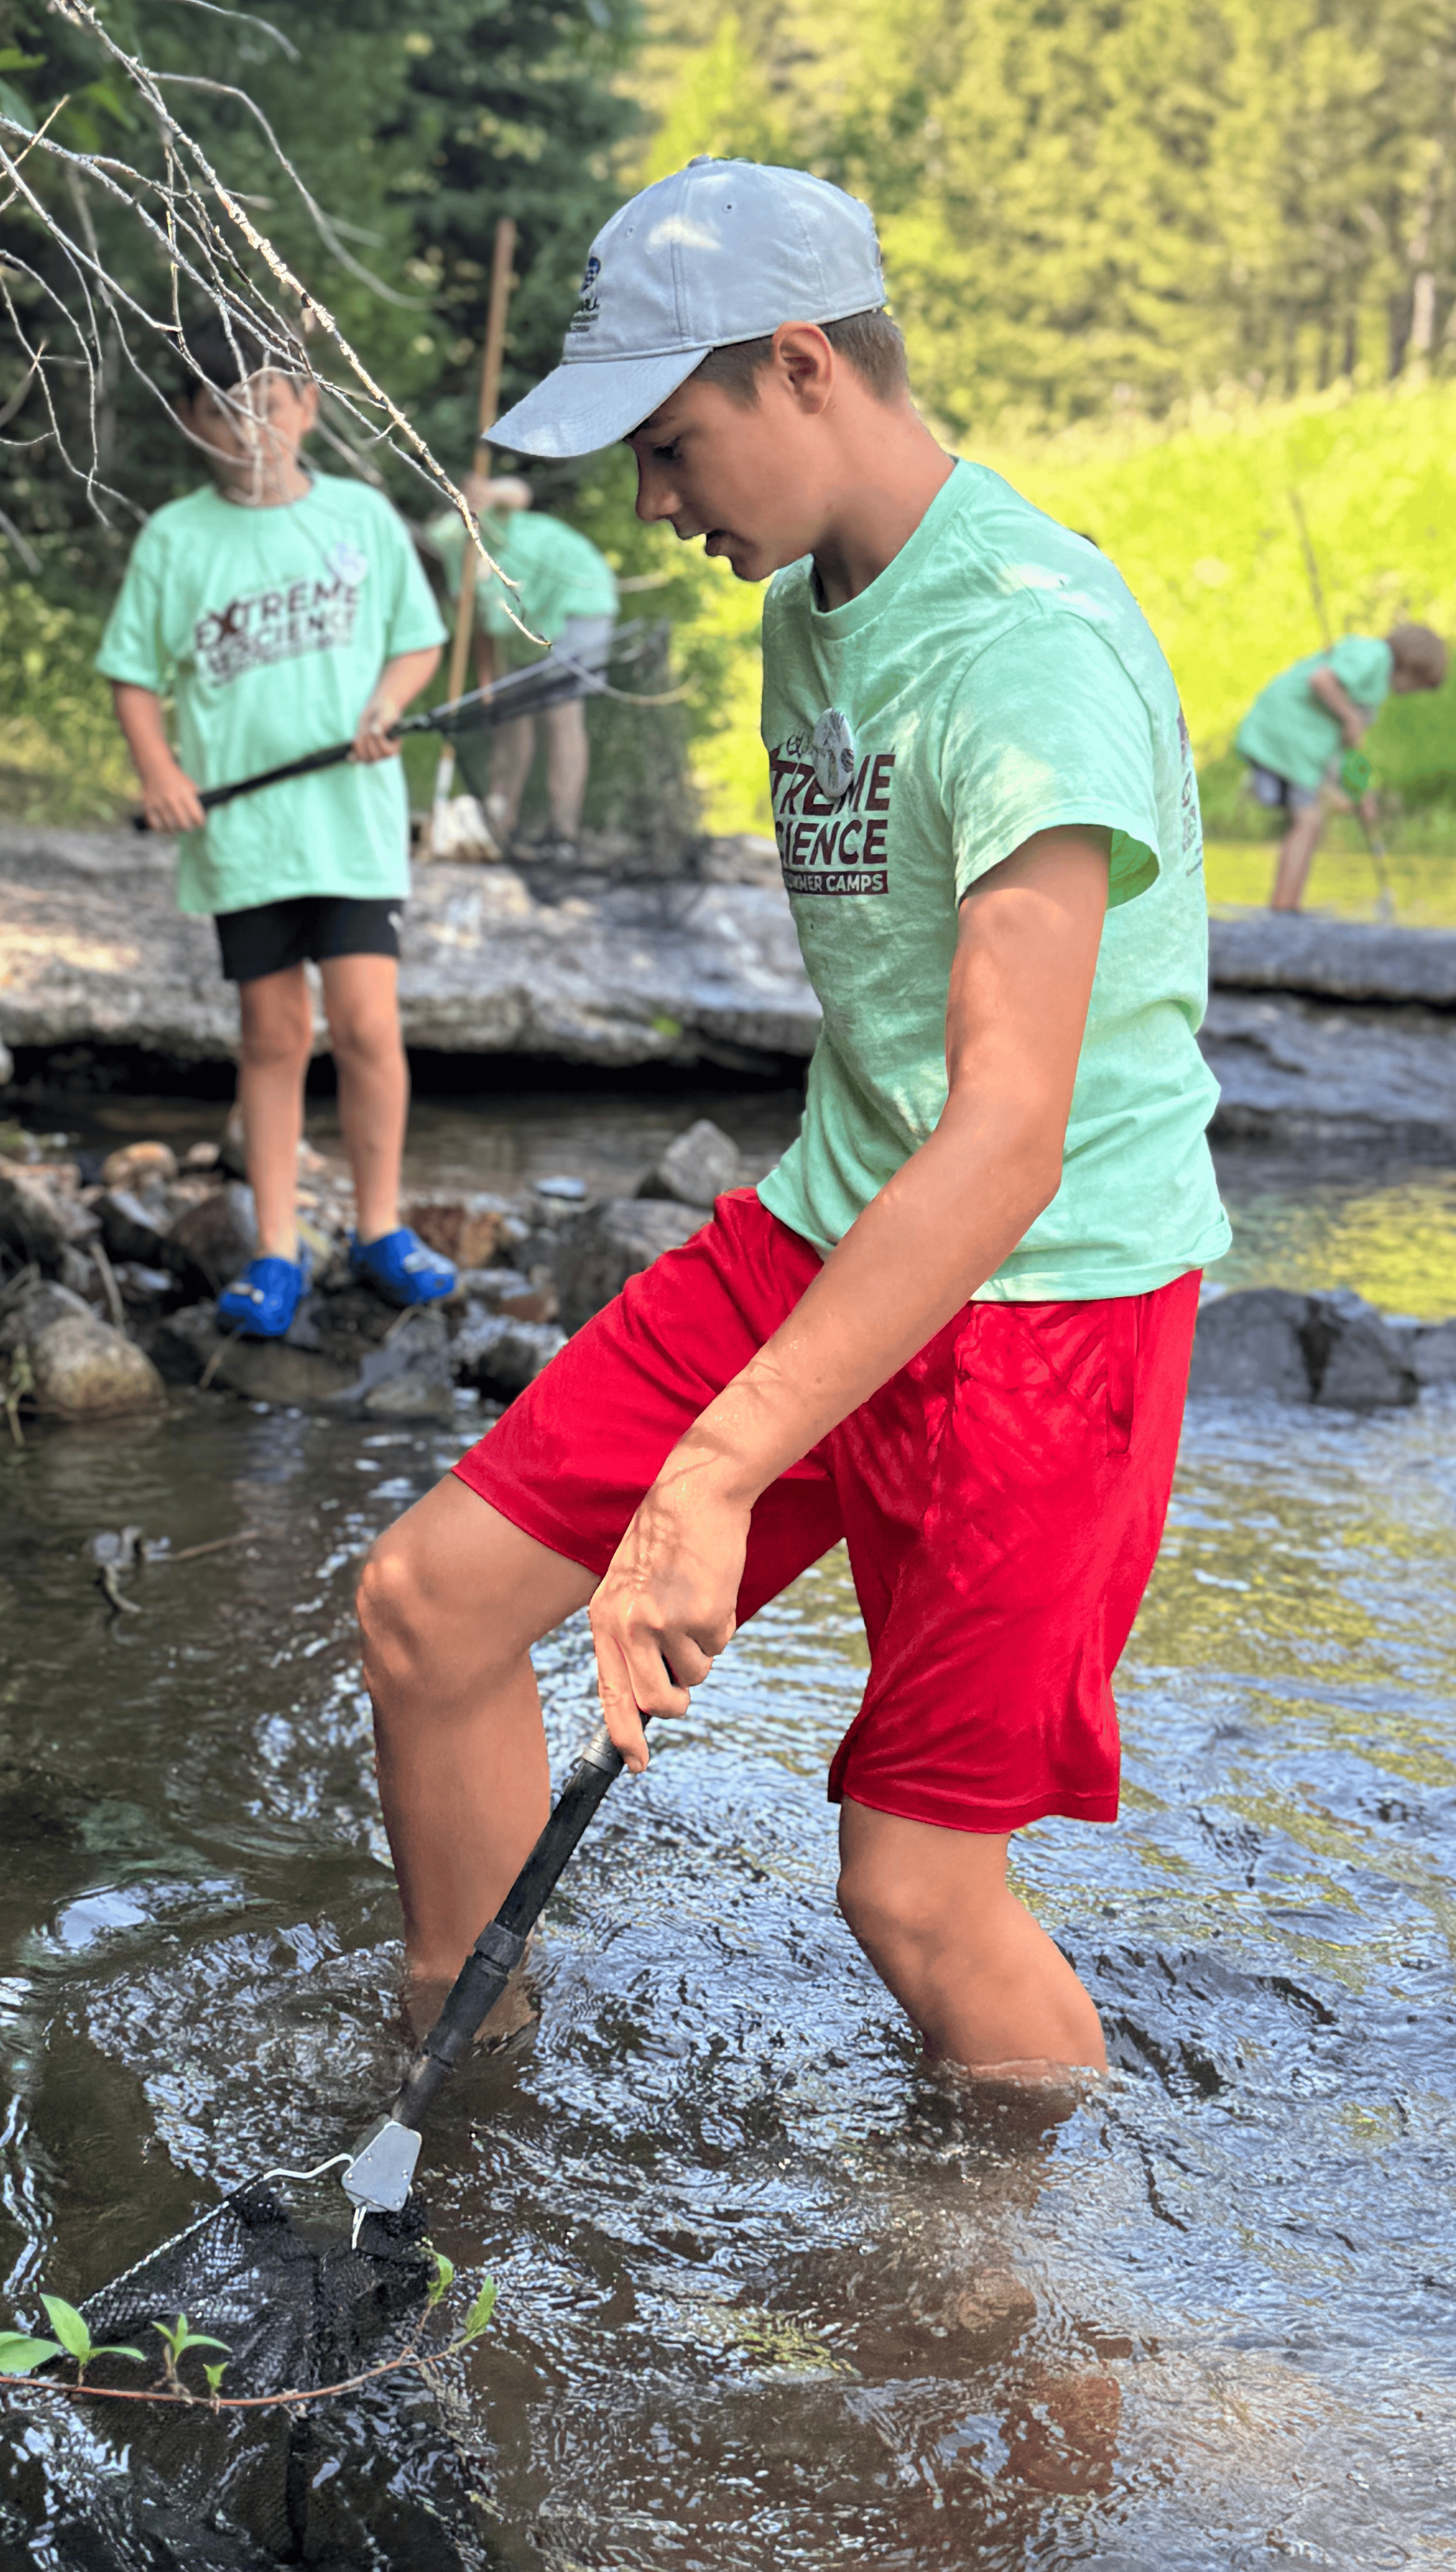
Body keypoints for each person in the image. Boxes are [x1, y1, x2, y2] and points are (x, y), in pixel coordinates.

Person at [356, 158, 1232, 2088]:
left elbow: (1008, 1138)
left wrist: (717, 1472)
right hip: (833, 1228)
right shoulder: (806, 598)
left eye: (672, 450)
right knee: (429, 1612)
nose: (655, 508)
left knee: (912, 1894)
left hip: (1046, 1308)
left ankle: (1037, 2322)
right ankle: (449, 2128)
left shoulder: (1024, 650)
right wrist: (724, 1459)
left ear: (808, 368)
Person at [96, 318, 456, 1338]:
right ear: (191, 421)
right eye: (222, 405)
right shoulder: (176, 537)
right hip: (243, 836)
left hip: (350, 824)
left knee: (367, 1023)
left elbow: (415, 645)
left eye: (268, 398)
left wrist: (383, 709)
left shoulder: (362, 517)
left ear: (307, 404)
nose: (249, 424)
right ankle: (275, 1248)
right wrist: (159, 769)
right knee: (272, 1033)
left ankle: (381, 1228)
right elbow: (132, 675)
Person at [425, 474, 620, 849]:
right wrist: (490, 691)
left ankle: (562, 832)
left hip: (577, 598)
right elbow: (482, 634)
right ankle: (500, 822)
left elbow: (520, 493)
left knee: (559, 711)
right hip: (527, 620)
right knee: (509, 716)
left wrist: (487, 492)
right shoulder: (447, 566)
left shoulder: (469, 529)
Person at [1236, 623, 1447, 911]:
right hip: (1286, 733)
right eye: (1418, 686)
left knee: (1312, 821)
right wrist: (1349, 716)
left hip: (1303, 746)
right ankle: (1283, 909)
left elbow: (1346, 747)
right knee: (1309, 821)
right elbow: (1321, 680)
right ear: (1412, 668)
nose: (1411, 693)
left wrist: (1362, 793)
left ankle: (1286, 905)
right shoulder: (1374, 655)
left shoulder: (1376, 686)